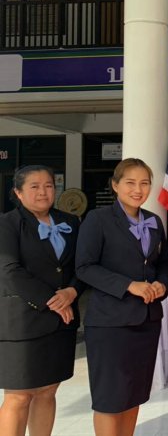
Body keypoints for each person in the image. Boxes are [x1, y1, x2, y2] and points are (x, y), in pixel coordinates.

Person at [76, 158, 168, 436]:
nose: (138, 189)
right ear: (115, 185)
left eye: (144, 183)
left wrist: (161, 285)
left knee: (134, 394)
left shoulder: (153, 220)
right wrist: (129, 285)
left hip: (146, 321)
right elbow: (84, 267)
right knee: (109, 398)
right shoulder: (98, 219)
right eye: (130, 183)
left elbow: (162, 264)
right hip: (110, 323)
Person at [0, 165, 83, 436]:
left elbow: (81, 267)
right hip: (23, 323)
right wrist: (52, 300)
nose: (43, 192)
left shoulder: (70, 222)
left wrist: (72, 291)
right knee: (19, 395)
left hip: (61, 324)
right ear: (18, 192)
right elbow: (9, 270)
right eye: (34, 186)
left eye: (48, 185)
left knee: (48, 391)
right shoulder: (7, 224)